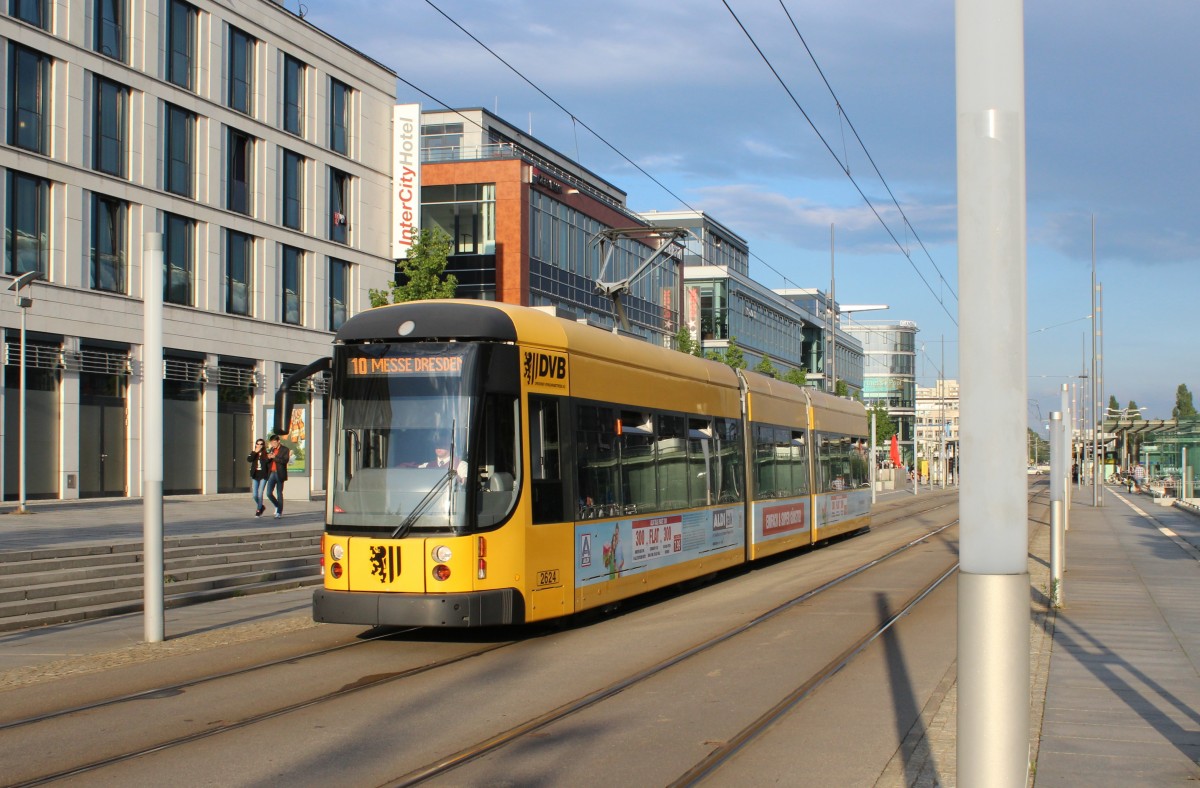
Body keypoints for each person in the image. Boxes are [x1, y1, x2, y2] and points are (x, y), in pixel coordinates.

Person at [265, 434, 291, 519]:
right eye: (272, 443)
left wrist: (274, 457)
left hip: (279, 473)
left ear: (278, 441)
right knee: (268, 493)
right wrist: (268, 458)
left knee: (279, 493)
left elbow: (284, 461)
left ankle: (279, 512)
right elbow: (268, 461)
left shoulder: (285, 449)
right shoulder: (272, 449)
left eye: (274, 442)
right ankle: (277, 505)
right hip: (272, 473)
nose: (273, 444)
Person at [247, 438, 270, 517]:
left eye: (261, 444)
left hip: (263, 475)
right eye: (258, 444)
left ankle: (258, 510)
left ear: (263, 445)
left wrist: (268, 458)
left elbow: (268, 463)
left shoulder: (265, 453)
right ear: (256, 445)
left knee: (260, 494)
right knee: (254, 495)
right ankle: (261, 506)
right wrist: (254, 452)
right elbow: (249, 459)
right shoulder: (254, 453)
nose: (259, 445)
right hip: (255, 475)